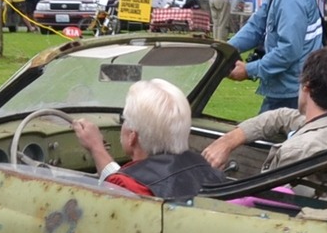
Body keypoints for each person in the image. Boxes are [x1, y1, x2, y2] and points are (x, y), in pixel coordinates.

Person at [203, 45, 327, 172]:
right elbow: (282, 116)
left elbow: (274, 199)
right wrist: (227, 142)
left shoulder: (296, 152)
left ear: (306, 86)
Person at [73, 78, 220, 199]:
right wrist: (96, 148)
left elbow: (126, 184)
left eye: (125, 119)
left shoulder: (130, 189)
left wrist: (97, 148)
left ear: (132, 136)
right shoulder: (206, 169)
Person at [227, 0, 322, 113]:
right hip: (285, 90)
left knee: (260, 131)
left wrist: (249, 70)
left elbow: (288, 50)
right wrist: (225, 50)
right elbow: (256, 26)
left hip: (293, 95)